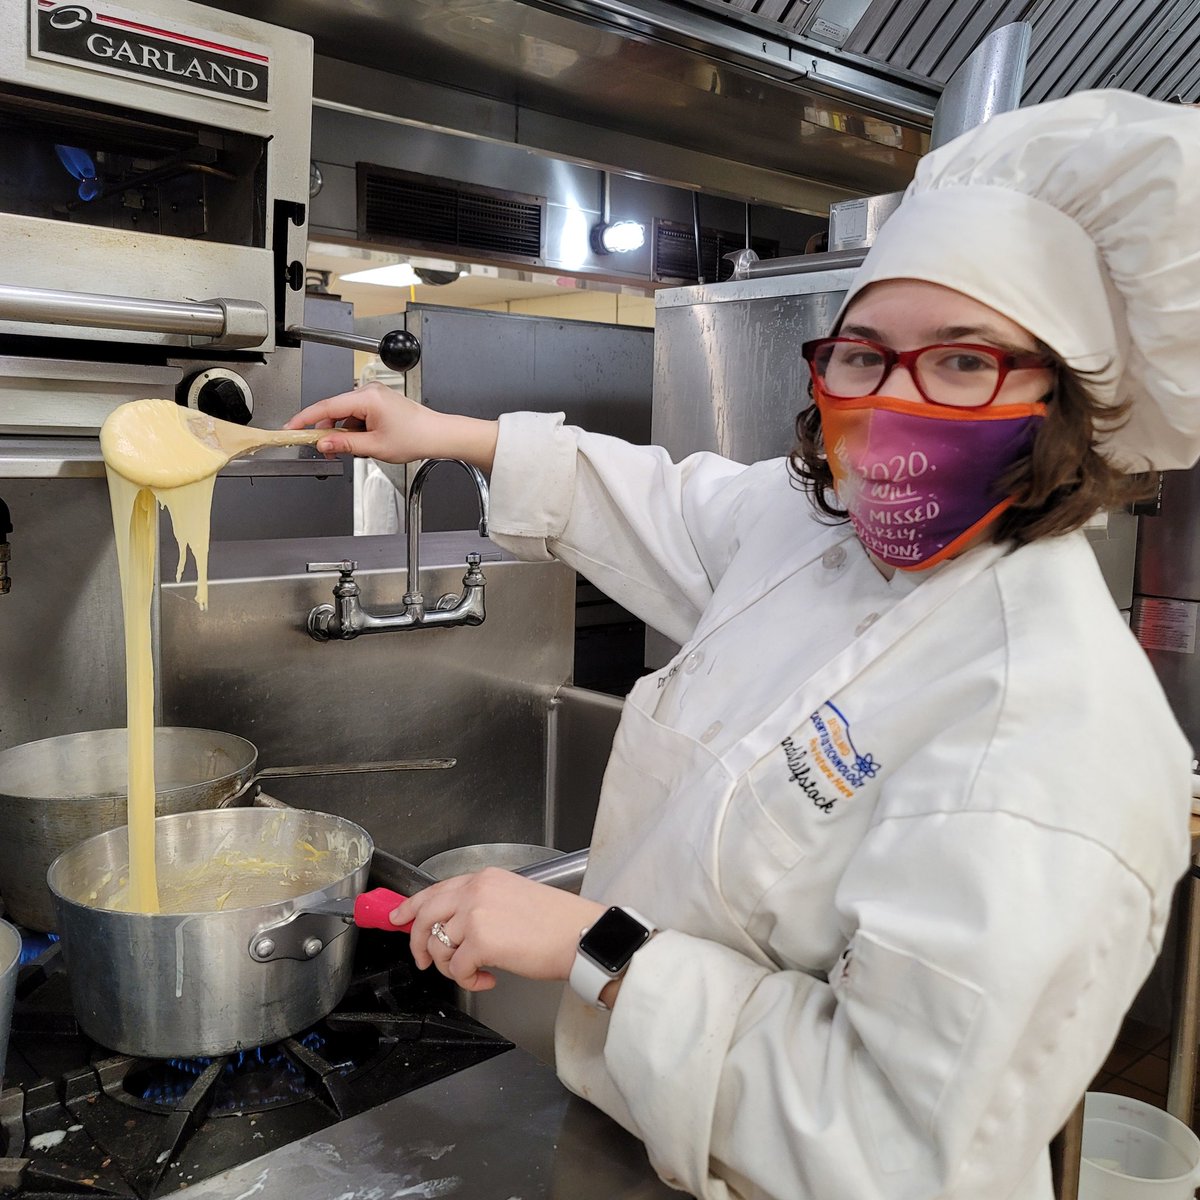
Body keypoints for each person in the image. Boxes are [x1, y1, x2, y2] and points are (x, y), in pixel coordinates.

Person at [287, 89, 1200, 1199]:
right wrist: (447, 436)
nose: (896, 405)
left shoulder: (1052, 724)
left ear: (1061, 399)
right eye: (865, 355)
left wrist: (595, 946)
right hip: (640, 1141)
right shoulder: (821, 536)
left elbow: (881, 1141)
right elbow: (671, 505)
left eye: (963, 362)